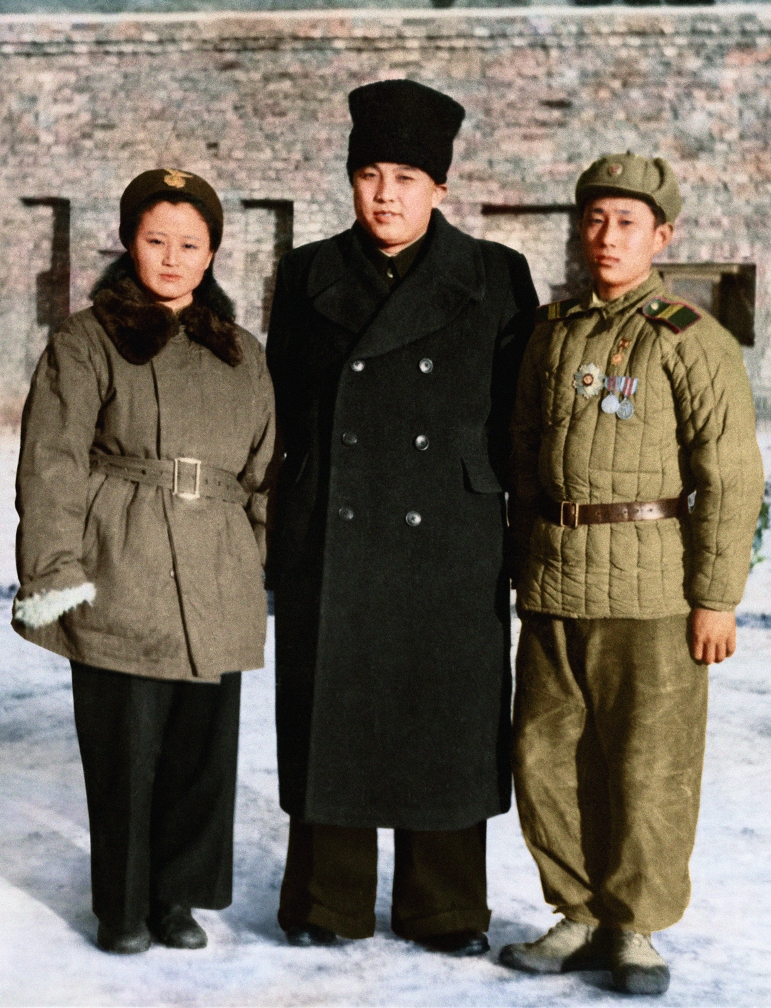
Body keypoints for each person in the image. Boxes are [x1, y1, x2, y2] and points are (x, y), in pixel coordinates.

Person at [266, 79, 538, 954]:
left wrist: (511, 527)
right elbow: (282, 405)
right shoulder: (306, 272)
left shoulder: (495, 275)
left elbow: (519, 419)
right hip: (334, 535)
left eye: (408, 178)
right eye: (371, 174)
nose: (386, 194)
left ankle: (445, 906)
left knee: (446, 717)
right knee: (329, 710)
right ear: (350, 181)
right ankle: (326, 901)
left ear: (441, 189)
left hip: (450, 535)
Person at [502, 152, 764, 994]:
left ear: (662, 235)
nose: (606, 236)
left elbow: (730, 476)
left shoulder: (691, 341)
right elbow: (520, 459)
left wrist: (716, 598)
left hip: (651, 592)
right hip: (553, 582)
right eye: (594, 219)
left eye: (626, 222)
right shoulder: (550, 334)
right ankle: (576, 914)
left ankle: (635, 929)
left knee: (647, 766)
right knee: (545, 759)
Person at [12, 169, 276, 954]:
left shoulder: (240, 352)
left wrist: (246, 558)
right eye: (156, 239)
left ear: (212, 253)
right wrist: (55, 577)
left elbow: (264, 469)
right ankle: (122, 909)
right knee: (127, 753)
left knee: (200, 752)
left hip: (216, 569)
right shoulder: (87, 339)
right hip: (119, 564)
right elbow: (51, 464)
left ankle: (177, 901)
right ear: (130, 242)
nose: (171, 257)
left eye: (189, 244)